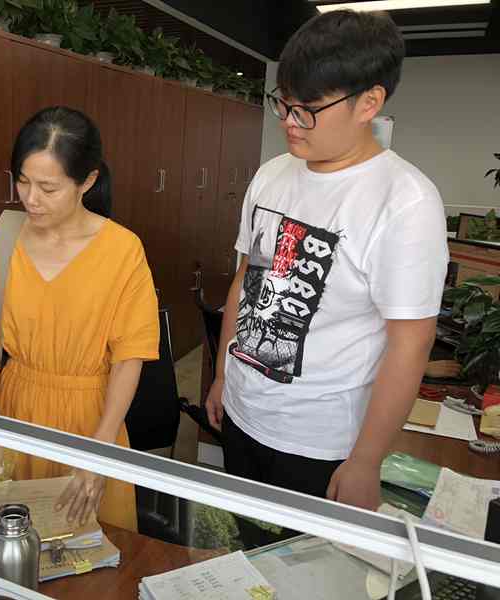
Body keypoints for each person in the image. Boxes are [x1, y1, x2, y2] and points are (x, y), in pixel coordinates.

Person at [205, 10, 448, 520]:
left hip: (322, 444)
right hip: (243, 415)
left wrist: (366, 459)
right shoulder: (272, 175)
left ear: (370, 103)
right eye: (284, 103)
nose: (290, 123)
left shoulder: (405, 201)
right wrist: (224, 375)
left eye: (309, 110)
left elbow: (411, 343)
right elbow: (246, 282)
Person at [0, 107, 159, 532]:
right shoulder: (1, 239)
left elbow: (129, 359)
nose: (30, 199)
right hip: (14, 413)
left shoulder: (122, 251)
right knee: (15, 542)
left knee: (91, 548)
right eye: (23, 181)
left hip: (93, 421)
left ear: (87, 181)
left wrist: (99, 453)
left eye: (48, 188)